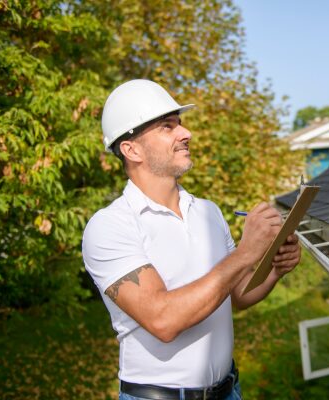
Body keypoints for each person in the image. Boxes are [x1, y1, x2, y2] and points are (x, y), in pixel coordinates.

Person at [82, 79, 301, 400]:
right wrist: (244, 254)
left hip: (229, 391)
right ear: (132, 149)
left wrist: (274, 269)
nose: (186, 134)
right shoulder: (110, 226)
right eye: (167, 127)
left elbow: (236, 295)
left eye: (180, 125)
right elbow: (163, 319)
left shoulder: (207, 212)